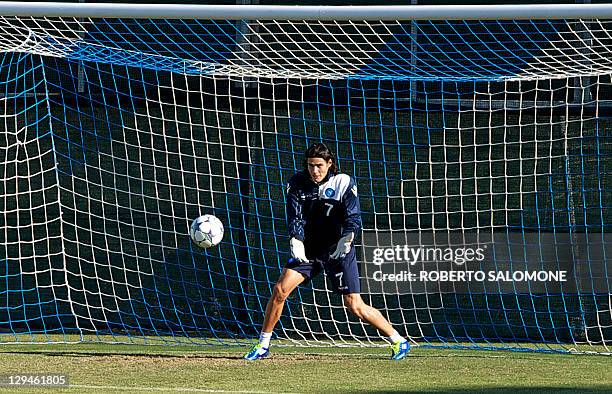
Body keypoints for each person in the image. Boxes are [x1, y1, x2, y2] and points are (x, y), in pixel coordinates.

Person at [244, 142, 410, 361]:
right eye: (311, 165)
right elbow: (295, 216)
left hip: (338, 250)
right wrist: (296, 239)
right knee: (280, 290)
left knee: (354, 305)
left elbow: (353, 217)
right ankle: (263, 345)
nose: (315, 170)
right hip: (309, 250)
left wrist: (347, 238)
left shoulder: (343, 182)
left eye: (319, 165)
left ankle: (399, 341)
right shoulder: (297, 183)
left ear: (329, 164)